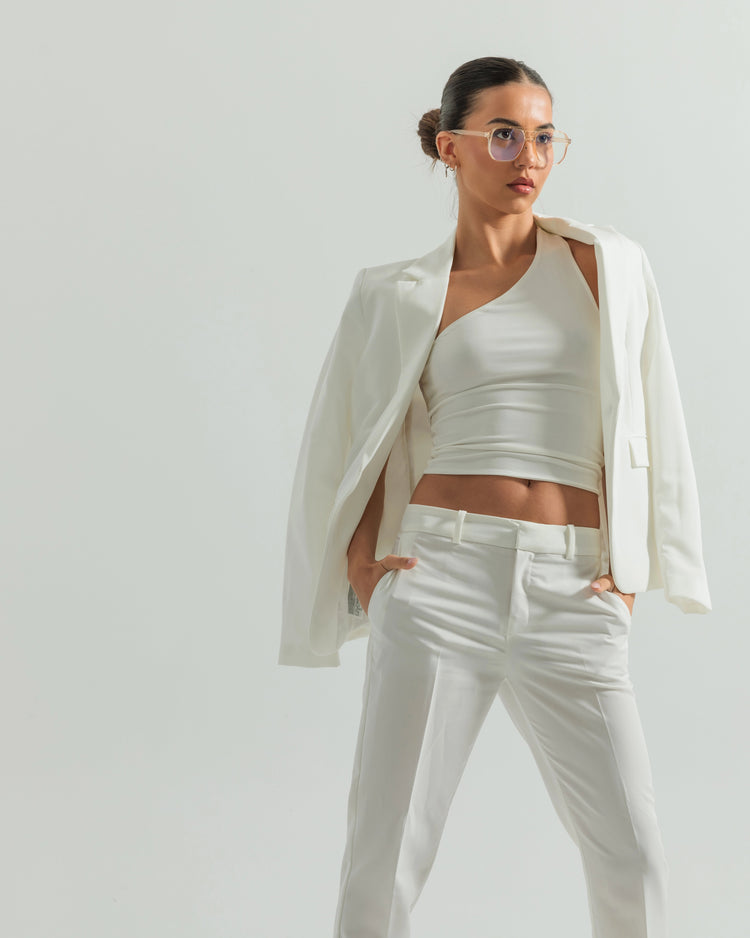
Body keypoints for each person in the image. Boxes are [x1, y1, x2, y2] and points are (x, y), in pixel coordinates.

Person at [279, 56, 711, 938]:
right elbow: (352, 438)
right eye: (505, 135)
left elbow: (654, 411)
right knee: (385, 856)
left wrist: (632, 573)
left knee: (632, 858)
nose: (531, 157)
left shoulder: (608, 265)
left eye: (545, 136)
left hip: (575, 588)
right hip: (440, 576)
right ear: (451, 148)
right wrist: (365, 566)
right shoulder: (394, 292)